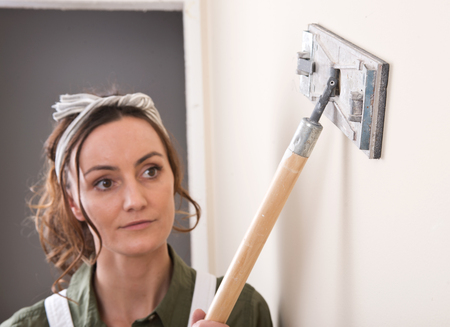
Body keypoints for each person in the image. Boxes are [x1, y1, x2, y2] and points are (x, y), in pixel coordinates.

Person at [1, 92, 273, 327]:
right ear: (74, 203)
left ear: (174, 176)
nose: (136, 200)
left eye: (150, 171)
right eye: (105, 182)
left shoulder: (241, 312)